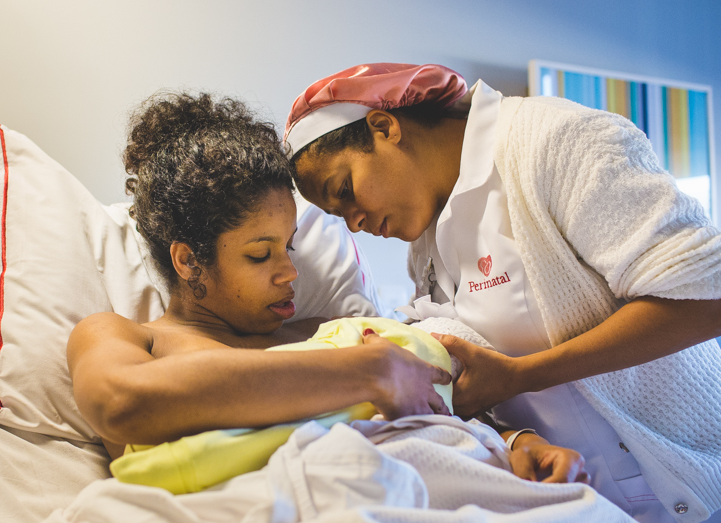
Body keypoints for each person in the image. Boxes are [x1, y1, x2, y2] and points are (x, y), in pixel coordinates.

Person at [283, 62, 721, 523]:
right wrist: (512, 436)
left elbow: (716, 298)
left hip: (691, 494)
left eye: (345, 191)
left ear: (384, 128)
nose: (353, 222)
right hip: (578, 504)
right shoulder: (428, 244)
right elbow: (484, 373)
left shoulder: (552, 142)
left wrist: (524, 375)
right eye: (337, 214)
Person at [67, 91, 586, 486]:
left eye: (289, 247)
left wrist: (514, 440)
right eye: (258, 253)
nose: (289, 272)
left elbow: (434, 400)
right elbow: (119, 402)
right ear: (188, 260)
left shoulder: (326, 333)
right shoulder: (127, 338)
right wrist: (370, 370)